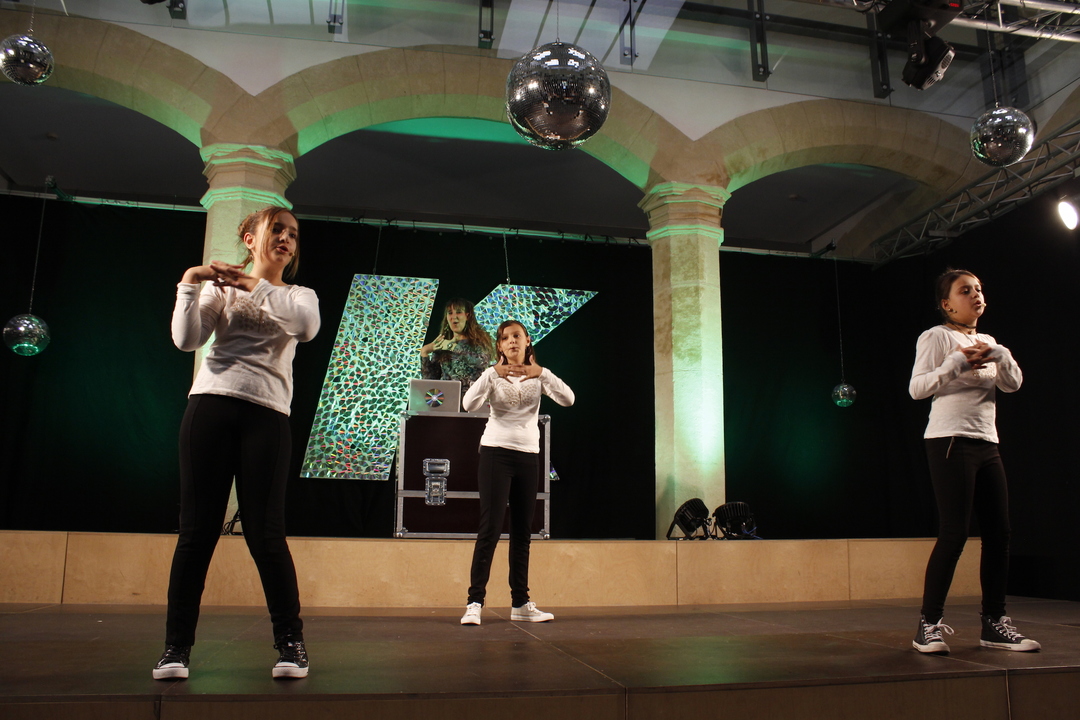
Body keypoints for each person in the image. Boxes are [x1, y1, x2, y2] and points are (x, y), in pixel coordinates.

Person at [154, 206, 320, 680]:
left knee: (266, 534)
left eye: (293, 234)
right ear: (250, 238)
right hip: (210, 407)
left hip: (268, 416)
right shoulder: (218, 289)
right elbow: (187, 340)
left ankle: (290, 644)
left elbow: (305, 328)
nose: (286, 238)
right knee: (196, 532)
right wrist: (191, 281)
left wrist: (251, 284)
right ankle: (175, 649)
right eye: (277, 230)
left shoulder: (299, 295)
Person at [909, 269, 1039, 654]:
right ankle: (928, 625)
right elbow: (917, 389)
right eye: (965, 291)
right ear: (947, 304)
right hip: (950, 440)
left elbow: (1011, 384)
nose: (976, 295)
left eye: (979, 289)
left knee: (1000, 534)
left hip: (986, 441)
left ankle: (994, 623)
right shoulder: (937, 336)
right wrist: (954, 364)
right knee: (955, 533)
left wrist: (1001, 354)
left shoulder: (989, 341)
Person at [459, 320, 574, 625]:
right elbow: (469, 405)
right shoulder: (493, 375)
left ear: (527, 341)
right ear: (499, 346)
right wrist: (490, 374)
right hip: (495, 453)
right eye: (506, 338)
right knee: (490, 528)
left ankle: (520, 603)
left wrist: (543, 373)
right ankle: (474, 602)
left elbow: (569, 399)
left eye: (517, 336)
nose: (512, 341)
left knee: (522, 532)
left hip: (528, 456)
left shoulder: (539, 375)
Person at [420, 298, 495, 396]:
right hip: (446, 399)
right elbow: (430, 381)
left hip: (472, 399)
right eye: (450, 313)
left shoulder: (479, 340)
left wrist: (452, 347)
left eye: (459, 312)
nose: (454, 317)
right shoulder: (442, 344)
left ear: (467, 316)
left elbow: (481, 362)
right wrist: (424, 353)